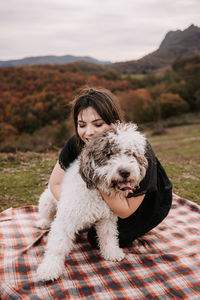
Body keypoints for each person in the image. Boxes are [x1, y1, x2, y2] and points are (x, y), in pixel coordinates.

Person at [49, 87, 172, 248]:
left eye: (98, 124)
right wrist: (74, 210)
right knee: (87, 225)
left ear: (113, 122)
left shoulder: (138, 147)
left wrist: (97, 179)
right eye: (82, 125)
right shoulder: (76, 142)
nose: (89, 132)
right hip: (109, 197)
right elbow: (55, 184)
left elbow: (125, 211)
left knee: (97, 239)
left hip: (144, 202)